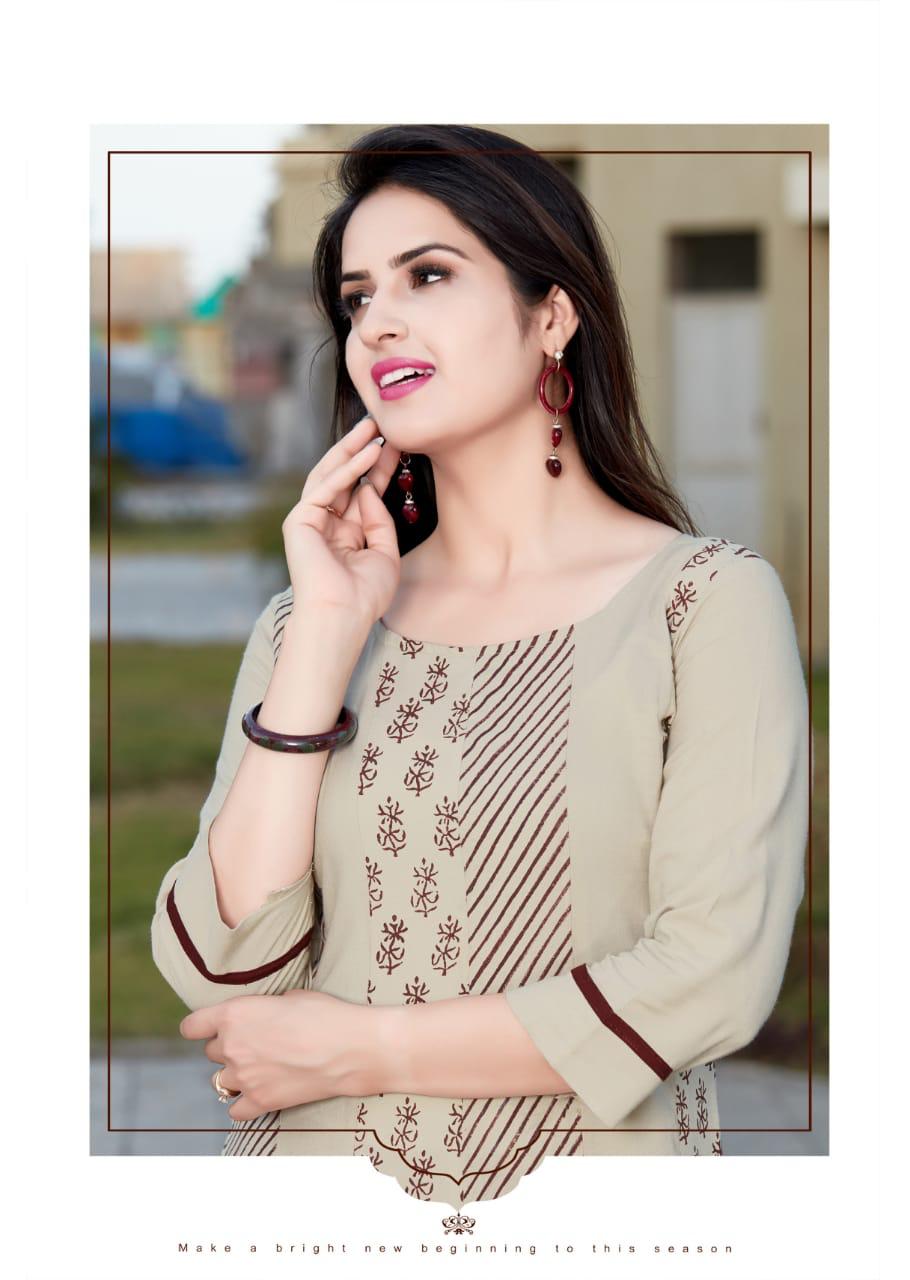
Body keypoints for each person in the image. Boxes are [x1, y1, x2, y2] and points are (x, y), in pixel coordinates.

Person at [150, 125, 810, 1205]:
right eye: (357, 297)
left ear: (553, 316)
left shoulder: (700, 606)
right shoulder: (305, 624)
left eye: (428, 275)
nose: (378, 321)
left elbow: (711, 975)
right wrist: (324, 638)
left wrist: (359, 1051)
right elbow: (217, 968)